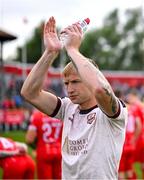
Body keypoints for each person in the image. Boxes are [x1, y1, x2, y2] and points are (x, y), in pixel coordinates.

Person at [21, 16, 128, 179]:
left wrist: (72, 50)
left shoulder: (111, 112)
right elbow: (29, 93)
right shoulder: (68, 107)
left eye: (76, 82)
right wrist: (50, 53)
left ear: (88, 80)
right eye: (66, 83)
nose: (70, 89)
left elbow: (99, 89)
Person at [25, 109, 63, 179]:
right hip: (59, 150)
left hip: (44, 150)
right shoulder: (60, 115)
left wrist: (35, 148)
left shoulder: (37, 116)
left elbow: (29, 139)